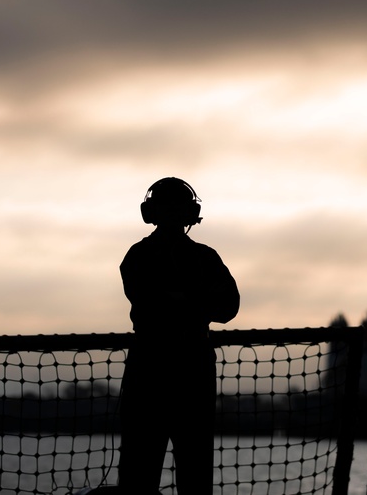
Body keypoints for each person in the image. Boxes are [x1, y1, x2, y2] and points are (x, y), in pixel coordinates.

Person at [117, 177, 240, 495]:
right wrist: (198, 301)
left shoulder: (138, 256)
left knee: (143, 474)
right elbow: (219, 305)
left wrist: (177, 299)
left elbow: (228, 306)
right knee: (189, 472)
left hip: (153, 371)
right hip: (186, 372)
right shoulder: (202, 259)